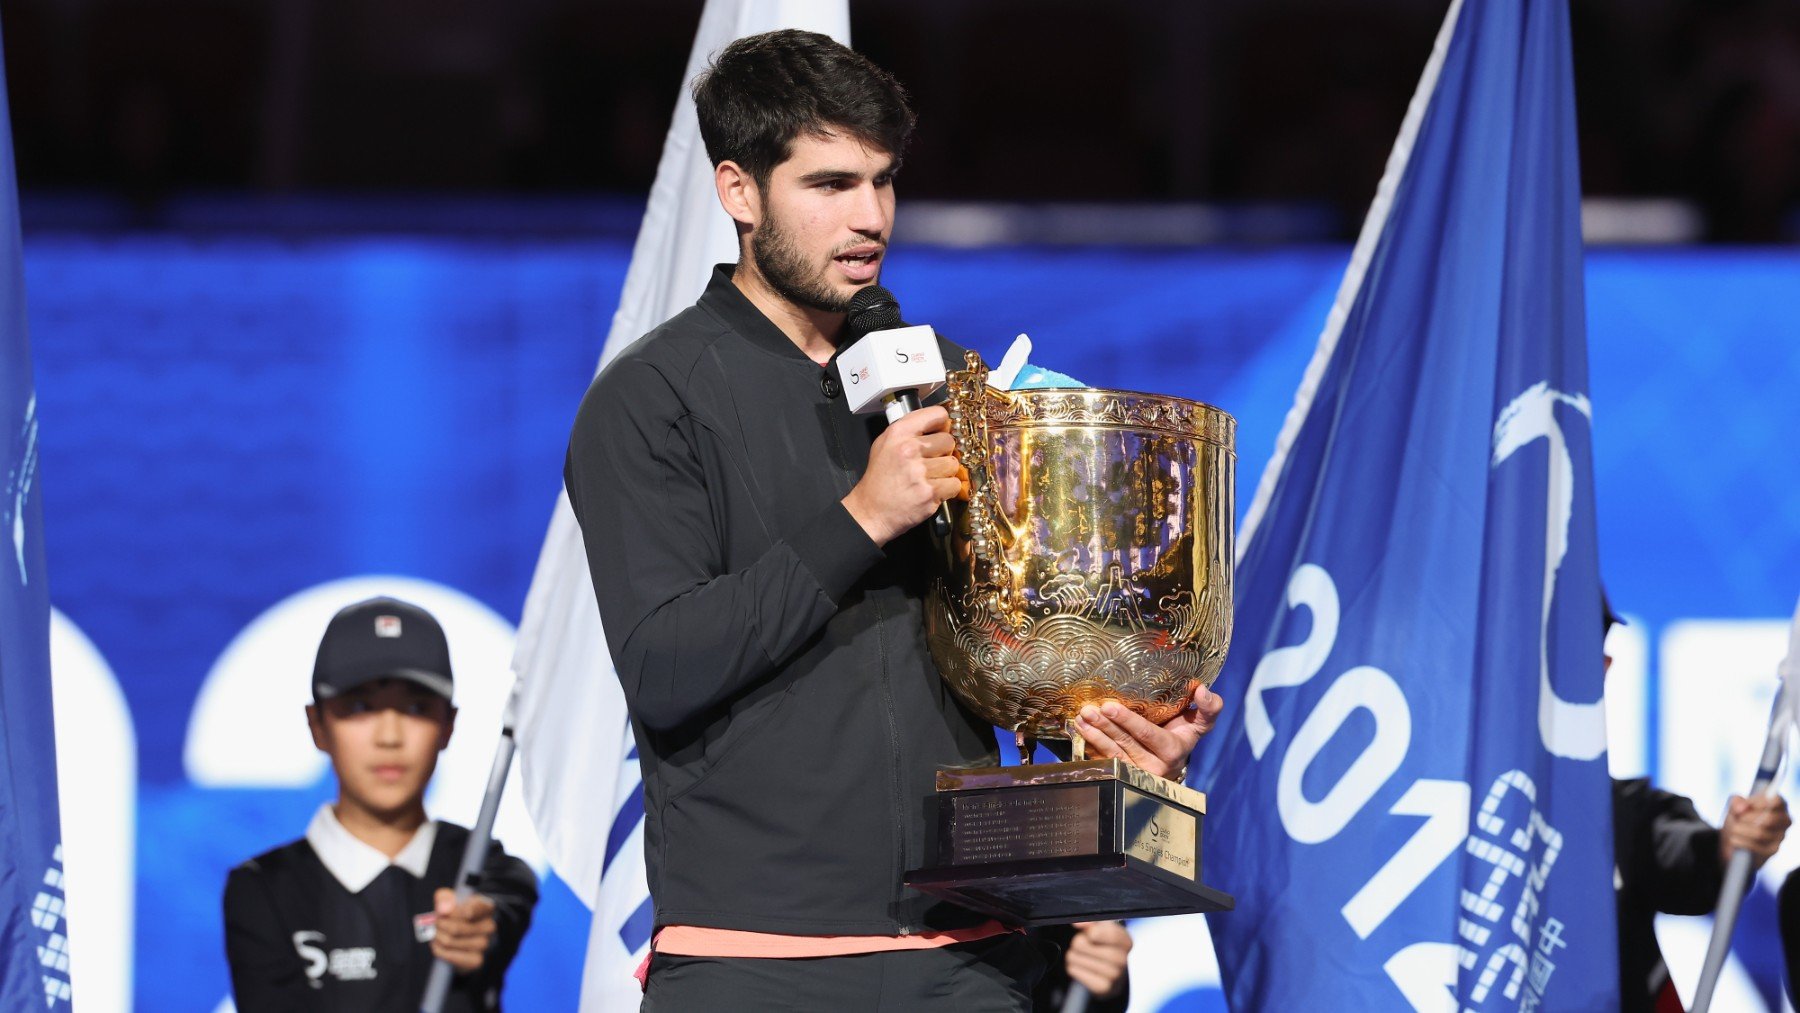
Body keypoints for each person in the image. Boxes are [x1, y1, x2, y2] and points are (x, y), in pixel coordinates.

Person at [564, 29, 1220, 1011]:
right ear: (739, 192)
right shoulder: (651, 398)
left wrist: (1116, 729)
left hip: (975, 957)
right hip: (757, 963)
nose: (870, 216)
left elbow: (1014, 654)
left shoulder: (950, 380)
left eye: (883, 180)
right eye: (830, 184)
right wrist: (863, 516)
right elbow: (664, 667)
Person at [222, 597, 538, 1011]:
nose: (389, 736)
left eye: (415, 708)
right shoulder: (262, 889)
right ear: (317, 725)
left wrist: (480, 929)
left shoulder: (486, 868)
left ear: (448, 725)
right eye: (359, 707)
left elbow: (501, 908)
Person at [1606, 598, 1790, 1013]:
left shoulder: (1621, 818)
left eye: (1586, 647)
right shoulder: (1436, 803)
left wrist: (1729, 847)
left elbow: (1685, 855)